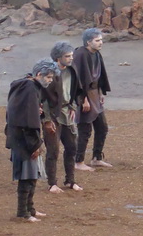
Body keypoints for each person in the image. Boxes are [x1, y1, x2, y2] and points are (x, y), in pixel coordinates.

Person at [6, 60, 57, 222]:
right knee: (26, 176)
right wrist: (35, 144)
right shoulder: (29, 89)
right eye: (48, 77)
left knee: (31, 175)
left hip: (21, 137)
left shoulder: (27, 86)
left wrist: (39, 111)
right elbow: (27, 120)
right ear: (38, 75)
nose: (50, 80)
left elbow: (26, 112)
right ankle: (23, 212)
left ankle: (30, 209)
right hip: (24, 140)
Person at [42, 42, 83, 193]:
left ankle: (70, 181)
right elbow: (42, 99)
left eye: (71, 55)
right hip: (52, 116)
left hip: (67, 114)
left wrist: (73, 106)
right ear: (58, 58)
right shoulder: (49, 73)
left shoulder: (72, 70)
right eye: (67, 56)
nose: (71, 58)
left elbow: (76, 90)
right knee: (53, 151)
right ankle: (52, 183)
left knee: (72, 148)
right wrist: (46, 120)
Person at [73, 28, 112, 171]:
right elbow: (78, 80)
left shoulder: (96, 54)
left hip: (95, 94)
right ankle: (78, 161)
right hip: (84, 96)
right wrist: (83, 99)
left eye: (101, 40)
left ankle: (97, 158)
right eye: (97, 40)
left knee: (102, 127)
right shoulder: (80, 55)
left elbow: (98, 76)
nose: (101, 43)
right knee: (84, 129)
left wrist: (100, 92)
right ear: (88, 42)